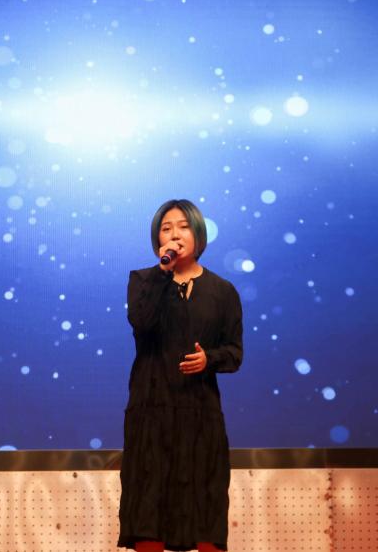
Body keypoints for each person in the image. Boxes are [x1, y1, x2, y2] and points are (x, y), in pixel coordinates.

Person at [118, 199, 244, 552]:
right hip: (151, 413)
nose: (175, 234)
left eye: (183, 227)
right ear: (157, 239)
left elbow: (235, 353)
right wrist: (163, 273)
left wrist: (209, 359)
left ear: (198, 234)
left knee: (205, 508)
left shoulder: (223, 291)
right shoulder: (143, 281)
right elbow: (142, 322)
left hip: (200, 415)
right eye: (166, 228)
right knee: (149, 509)